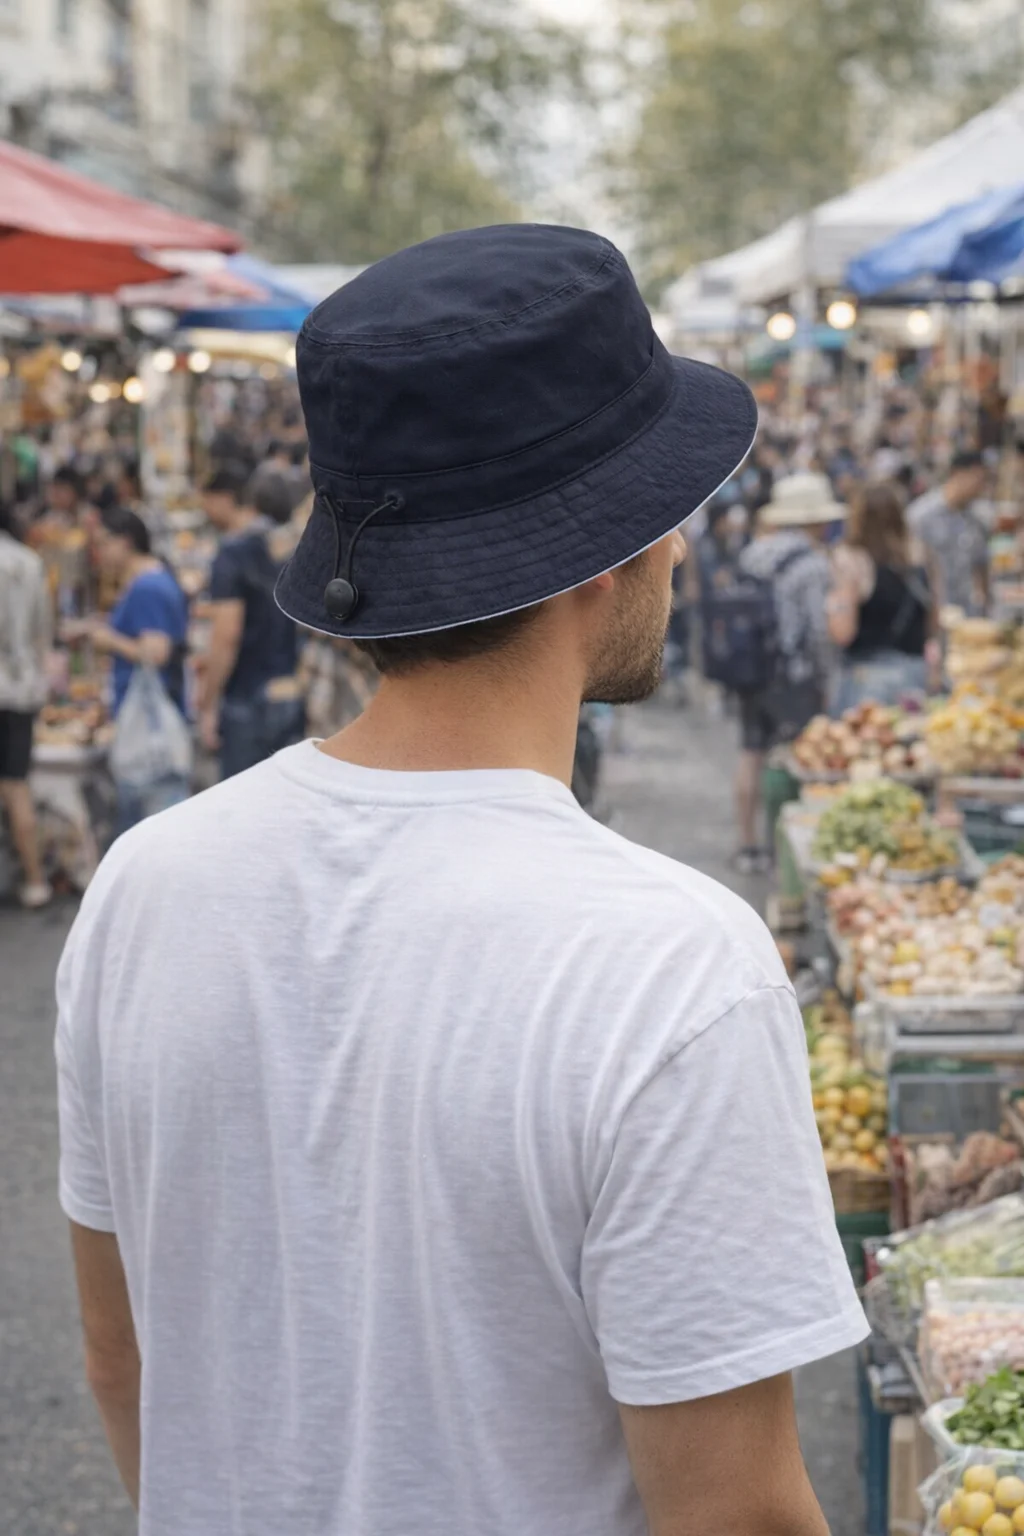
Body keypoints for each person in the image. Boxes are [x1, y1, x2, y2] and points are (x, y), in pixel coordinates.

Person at [56, 225, 864, 1536]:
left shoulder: (144, 886)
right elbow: (735, 1515)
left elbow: (118, 1355)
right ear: (607, 546)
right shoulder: (673, 966)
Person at [732, 473, 839, 872]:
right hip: (792, 675)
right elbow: (817, 632)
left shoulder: (755, 551)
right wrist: (826, 682)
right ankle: (788, 854)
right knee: (799, 759)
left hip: (750, 670)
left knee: (750, 753)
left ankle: (747, 845)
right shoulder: (812, 564)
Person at [66, 506, 190, 833]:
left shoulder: (147, 587)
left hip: (150, 732)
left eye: (104, 543)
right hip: (148, 725)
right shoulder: (151, 580)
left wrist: (108, 639)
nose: (100, 552)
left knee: (151, 833)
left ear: (126, 541)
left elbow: (156, 651)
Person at [198, 465, 305, 777]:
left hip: (248, 697)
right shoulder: (298, 549)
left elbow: (227, 634)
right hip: (291, 690)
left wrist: (208, 702)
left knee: (243, 813)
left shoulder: (234, 552)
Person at [828, 481, 933, 712]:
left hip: (866, 679)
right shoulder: (920, 554)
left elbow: (843, 632)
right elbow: (933, 618)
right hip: (915, 673)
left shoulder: (852, 560)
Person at [0, 496, 53, 907]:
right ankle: (36, 881)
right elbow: (42, 631)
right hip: (20, 688)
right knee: (18, 785)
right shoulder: (29, 561)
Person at [906, 450, 990, 615]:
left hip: (967, 612)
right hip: (932, 611)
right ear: (957, 474)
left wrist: (986, 606)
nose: (981, 487)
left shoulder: (978, 518)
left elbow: (982, 565)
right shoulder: (921, 515)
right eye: (977, 479)